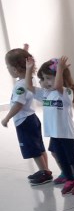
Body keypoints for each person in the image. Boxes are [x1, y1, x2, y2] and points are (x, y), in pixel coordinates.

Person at [24, 55, 74, 195]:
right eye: (43, 79)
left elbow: (58, 85)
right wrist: (28, 69)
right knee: (62, 159)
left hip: (67, 134)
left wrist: (60, 70)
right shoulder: (45, 94)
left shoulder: (65, 92)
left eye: (48, 78)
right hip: (54, 134)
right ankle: (70, 180)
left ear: (60, 77)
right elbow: (28, 86)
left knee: (72, 159)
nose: (45, 82)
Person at [3, 47, 51, 185]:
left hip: (24, 121)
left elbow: (18, 104)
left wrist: (7, 118)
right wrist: (25, 52)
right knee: (39, 146)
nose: (7, 69)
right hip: (32, 118)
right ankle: (45, 170)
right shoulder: (30, 79)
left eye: (8, 67)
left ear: (15, 69)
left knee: (33, 149)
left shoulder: (20, 85)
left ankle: (44, 173)